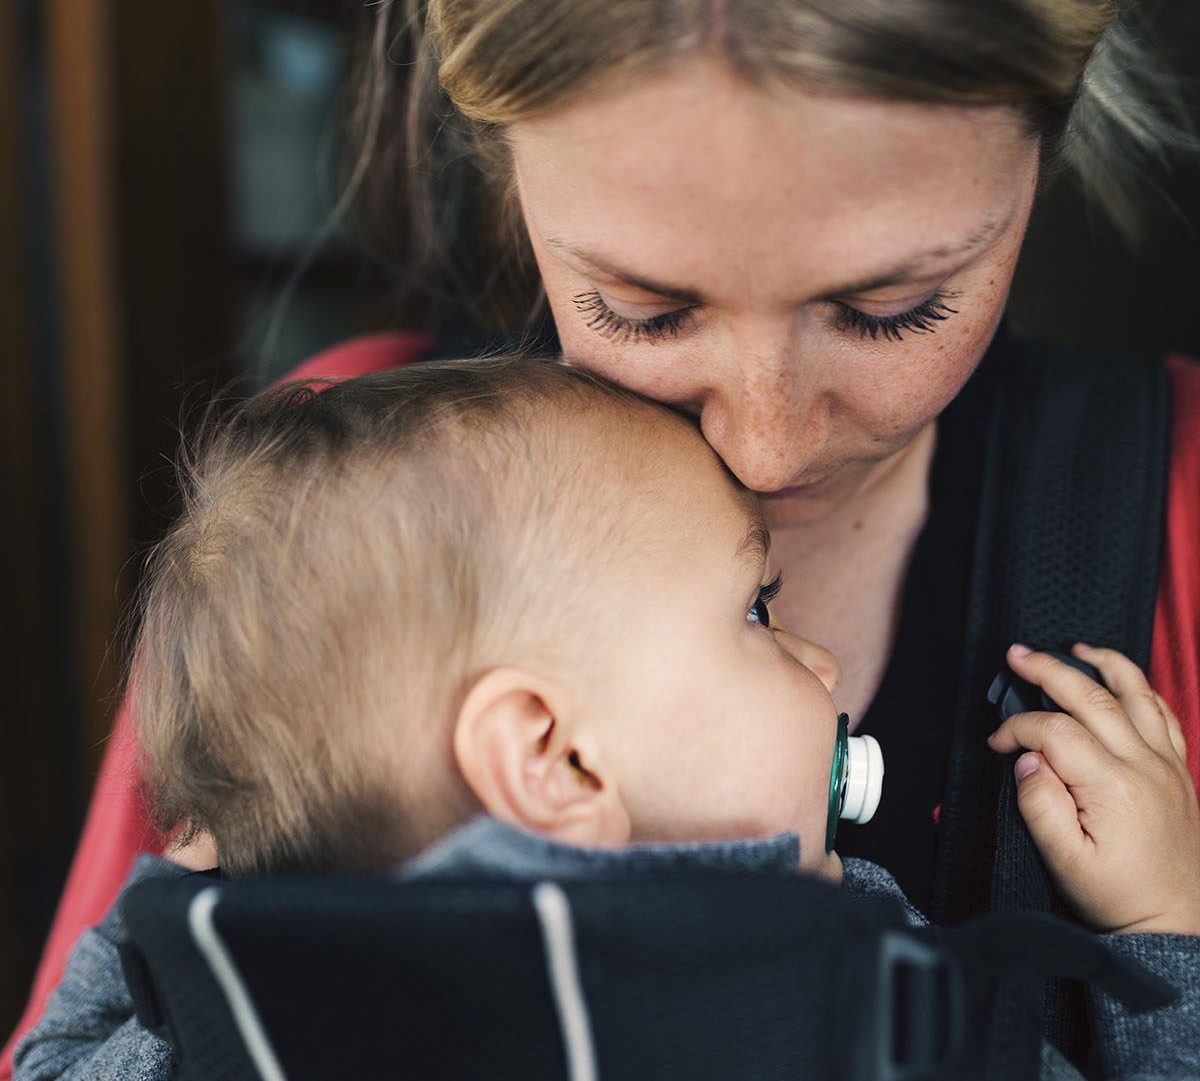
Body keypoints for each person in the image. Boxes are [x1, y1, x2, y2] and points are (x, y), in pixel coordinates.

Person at [6, 0, 1200, 1069]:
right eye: (642, 305)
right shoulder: (341, 557)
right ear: (501, 158)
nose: (761, 443)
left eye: (893, 304)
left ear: (1047, 139)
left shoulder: (1174, 520)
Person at [13, 359, 1200, 1081]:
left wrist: (193, 894)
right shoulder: (844, 1004)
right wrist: (1162, 925)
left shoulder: (227, 1015)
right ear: (552, 756)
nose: (821, 653)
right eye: (758, 609)